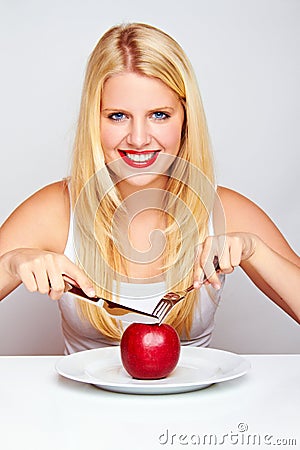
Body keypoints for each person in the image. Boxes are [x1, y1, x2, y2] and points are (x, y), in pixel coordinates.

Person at [0, 23, 299, 354]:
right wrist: (11, 264)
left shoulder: (224, 209)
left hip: (200, 407)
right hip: (80, 407)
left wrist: (256, 251)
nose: (139, 138)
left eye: (159, 114)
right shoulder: (56, 209)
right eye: (117, 116)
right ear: (93, 121)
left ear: (186, 119)